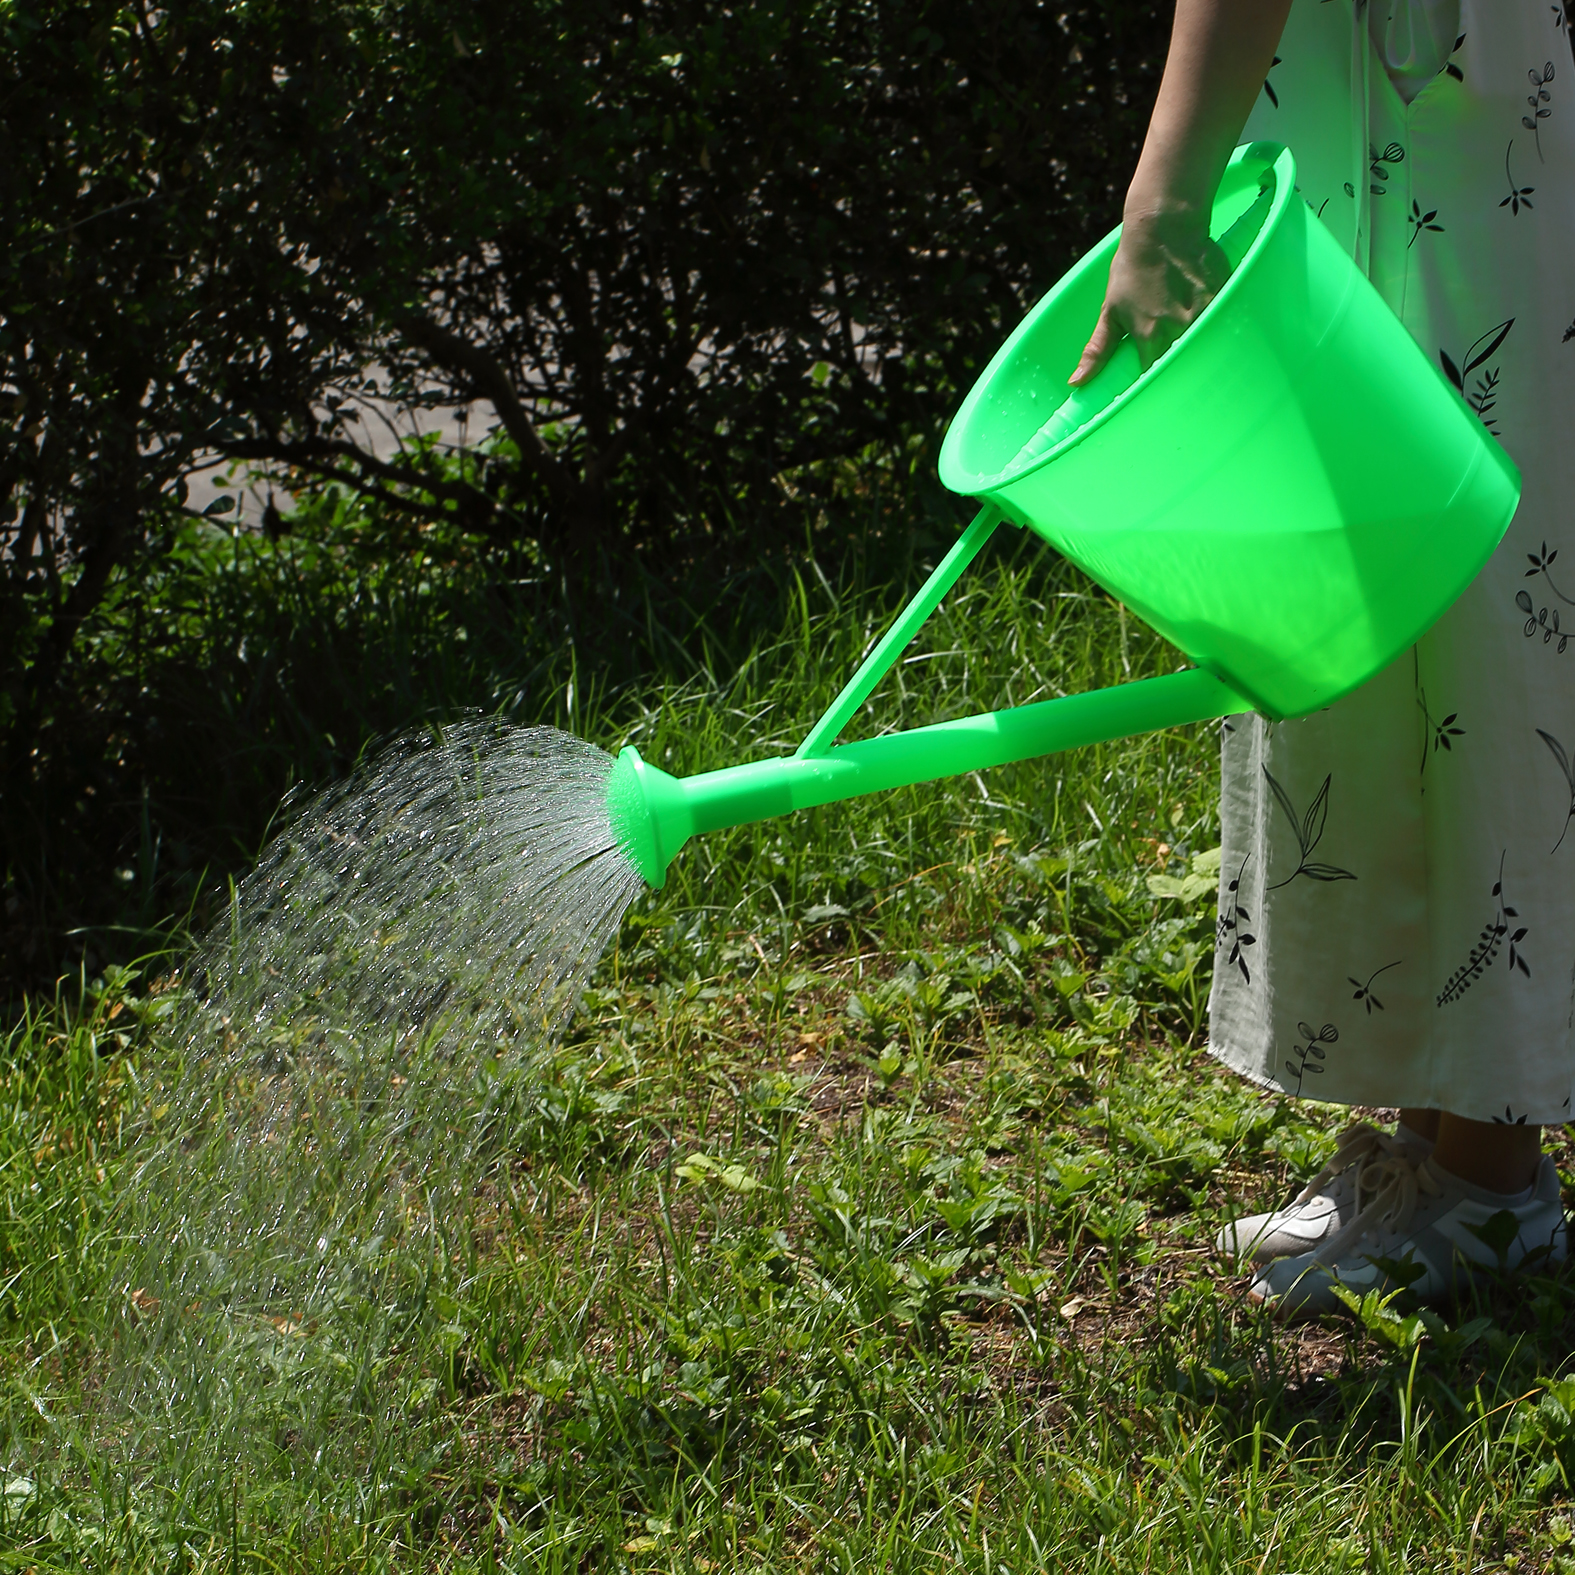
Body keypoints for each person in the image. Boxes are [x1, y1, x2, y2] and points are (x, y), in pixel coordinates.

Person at [1075, 0, 1575, 1315]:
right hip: (1428, 125)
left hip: (1452, 138)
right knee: (1396, 633)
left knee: (1449, 626)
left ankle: (1490, 1186)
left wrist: (1166, 195)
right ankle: (1445, 1146)